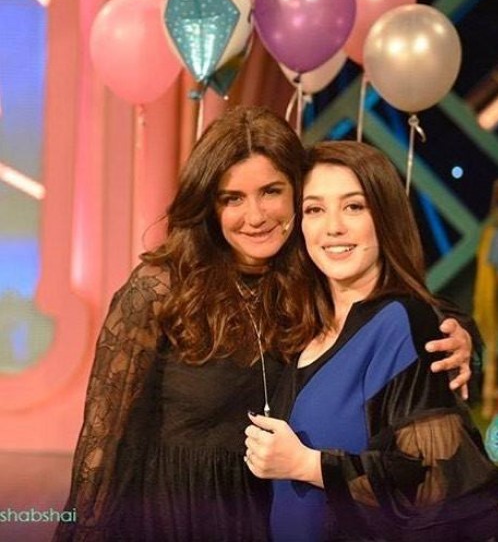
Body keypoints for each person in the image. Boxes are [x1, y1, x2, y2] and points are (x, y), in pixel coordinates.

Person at [54, 108, 476, 542]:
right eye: (232, 198)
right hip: (179, 515)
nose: (255, 216)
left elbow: (394, 302)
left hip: (277, 511)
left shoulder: (310, 274)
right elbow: (104, 439)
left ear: (296, 191)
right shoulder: (163, 287)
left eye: (271, 191)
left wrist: (461, 333)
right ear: (208, 204)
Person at [245, 141, 498, 542]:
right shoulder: (300, 324)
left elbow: (434, 482)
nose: (333, 227)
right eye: (315, 209)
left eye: (354, 206)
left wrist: (308, 466)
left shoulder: (405, 322)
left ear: (385, 216)